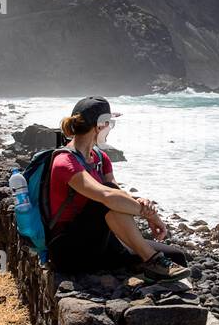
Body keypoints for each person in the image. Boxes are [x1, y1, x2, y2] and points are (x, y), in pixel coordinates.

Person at [45, 96, 189, 280]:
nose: (110, 128)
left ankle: (149, 266)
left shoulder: (99, 157)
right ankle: (152, 260)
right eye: (109, 123)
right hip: (69, 250)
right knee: (106, 197)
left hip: (102, 242)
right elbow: (106, 196)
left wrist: (138, 201)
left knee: (177, 257)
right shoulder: (64, 162)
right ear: (100, 125)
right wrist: (151, 215)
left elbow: (118, 194)